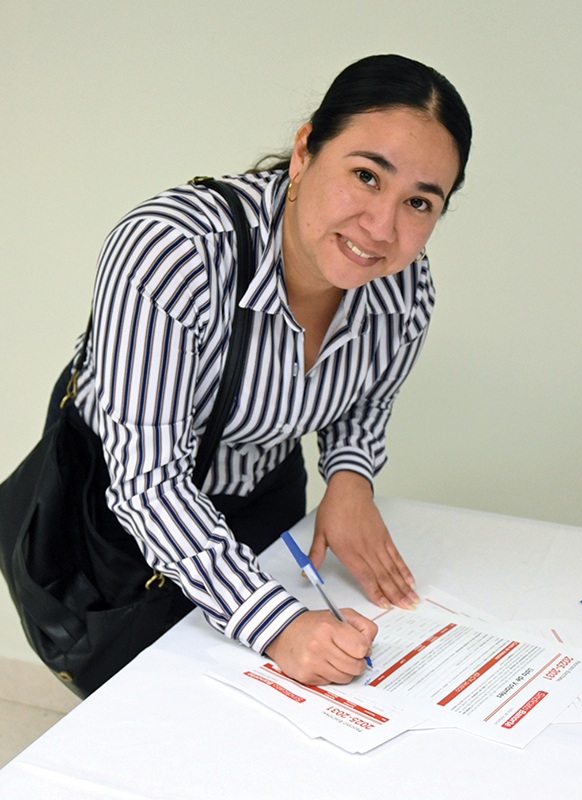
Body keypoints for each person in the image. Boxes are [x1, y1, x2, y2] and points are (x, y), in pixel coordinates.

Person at [69, 54, 472, 686]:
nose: (381, 228)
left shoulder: (405, 286)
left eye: (419, 202)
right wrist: (277, 624)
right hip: (117, 519)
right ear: (306, 150)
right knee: (138, 702)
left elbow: (369, 398)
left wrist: (350, 477)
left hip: (262, 496)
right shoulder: (175, 252)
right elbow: (147, 482)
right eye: (367, 175)